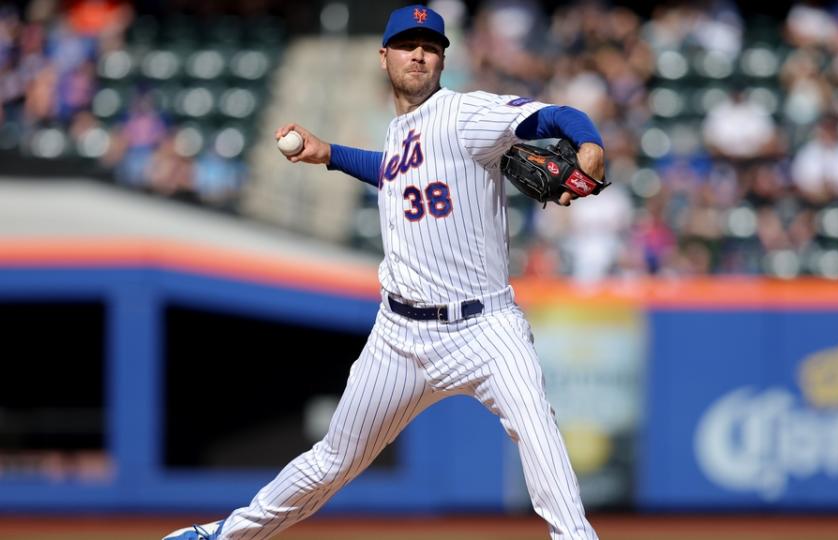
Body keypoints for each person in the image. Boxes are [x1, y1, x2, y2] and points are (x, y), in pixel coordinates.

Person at [163, 5, 605, 540]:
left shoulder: (466, 114)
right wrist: (328, 154)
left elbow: (555, 117)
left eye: (430, 45)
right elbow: (392, 169)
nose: (418, 53)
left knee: (539, 434)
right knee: (333, 459)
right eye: (406, 44)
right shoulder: (399, 134)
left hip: (485, 329)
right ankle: (223, 535)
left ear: (444, 58)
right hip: (399, 336)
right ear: (384, 57)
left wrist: (590, 146)